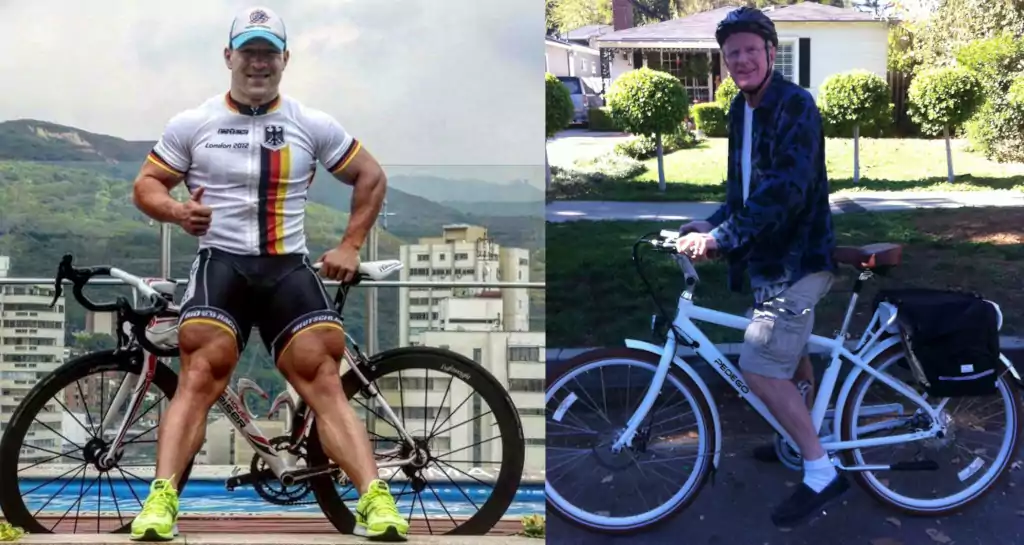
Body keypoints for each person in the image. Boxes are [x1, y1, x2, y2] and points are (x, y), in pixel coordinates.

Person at [129, 6, 408, 542]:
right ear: (228, 56)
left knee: (324, 378)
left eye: (269, 53)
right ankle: (161, 502)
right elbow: (147, 185)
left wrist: (350, 244)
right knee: (200, 372)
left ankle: (377, 502)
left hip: (287, 268)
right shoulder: (194, 122)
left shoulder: (310, 122)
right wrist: (177, 212)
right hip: (222, 265)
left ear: (284, 60)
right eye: (249, 52)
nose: (258, 63)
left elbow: (369, 175)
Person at [675, 6, 845, 528]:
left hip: (798, 259)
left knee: (759, 364)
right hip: (768, 260)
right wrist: (701, 225)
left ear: (772, 53)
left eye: (751, 49)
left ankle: (820, 470)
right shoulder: (738, 110)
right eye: (733, 54)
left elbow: (784, 192)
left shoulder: (795, 105)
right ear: (725, 64)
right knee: (791, 361)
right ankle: (799, 437)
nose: (742, 60)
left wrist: (722, 240)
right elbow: (743, 192)